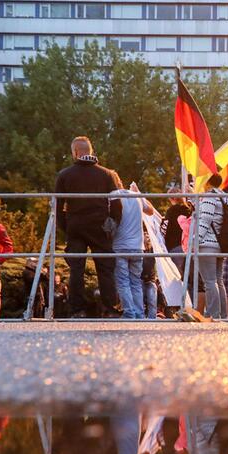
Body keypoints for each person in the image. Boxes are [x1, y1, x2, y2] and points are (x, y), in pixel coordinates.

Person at [55, 136, 123, 318]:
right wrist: (113, 222)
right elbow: (117, 203)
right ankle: (111, 309)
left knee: (76, 269)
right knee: (105, 268)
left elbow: (57, 205)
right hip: (99, 226)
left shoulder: (65, 175)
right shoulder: (106, 174)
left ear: (75, 152)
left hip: (75, 225)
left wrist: (65, 226)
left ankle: (78, 310)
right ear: (91, 151)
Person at [110, 182, 155, 319]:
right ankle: (139, 313)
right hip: (137, 247)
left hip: (120, 246)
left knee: (123, 281)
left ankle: (129, 313)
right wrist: (139, 192)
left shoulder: (112, 196)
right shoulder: (136, 196)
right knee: (136, 281)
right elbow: (151, 211)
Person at [196, 173, 228, 319]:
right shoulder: (224, 198)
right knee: (218, 281)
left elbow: (205, 218)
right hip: (220, 244)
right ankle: (223, 315)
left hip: (208, 243)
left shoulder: (210, 197)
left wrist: (195, 239)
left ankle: (212, 314)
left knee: (209, 282)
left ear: (207, 182)